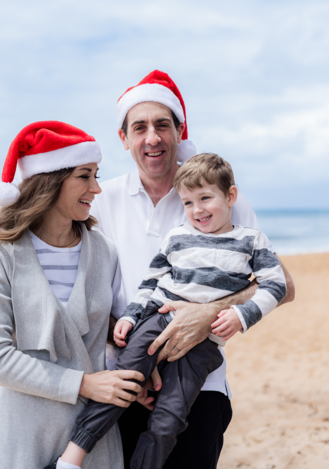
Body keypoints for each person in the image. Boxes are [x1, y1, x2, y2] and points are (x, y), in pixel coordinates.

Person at [89, 70, 295, 469]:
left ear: (179, 132)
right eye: (140, 127)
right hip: (123, 383)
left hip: (200, 389)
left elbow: (283, 285)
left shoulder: (216, 198)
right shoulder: (100, 201)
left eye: (162, 125)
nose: (152, 137)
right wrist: (132, 342)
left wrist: (208, 315)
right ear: (124, 138)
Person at [57, 153, 287, 469]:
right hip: (155, 319)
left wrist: (240, 315)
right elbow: (150, 283)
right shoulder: (177, 236)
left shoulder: (251, 240)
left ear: (230, 196)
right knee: (122, 382)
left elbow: (277, 285)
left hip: (202, 345)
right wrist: (130, 316)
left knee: (170, 418)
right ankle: (72, 458)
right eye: (188, 203)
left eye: (205, 198)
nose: (197, 210)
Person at [0, 121, 145, 469]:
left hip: (93, 439)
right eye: (84, 175)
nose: (96, 188)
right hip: (22, 437)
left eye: (97, 175)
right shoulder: (3, 253)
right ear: (49, 180)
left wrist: (137, 373)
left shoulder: (104, 251)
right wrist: (84, 384)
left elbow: (118, 330)